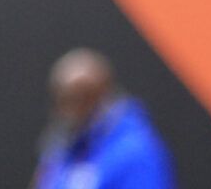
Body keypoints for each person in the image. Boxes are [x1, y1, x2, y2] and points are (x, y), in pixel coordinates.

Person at [34, 49, 175, 189]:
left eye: (81, 98)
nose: (69, 110)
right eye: (62, 99)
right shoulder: (59, 152)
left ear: (103, 96)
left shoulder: (135, 151)